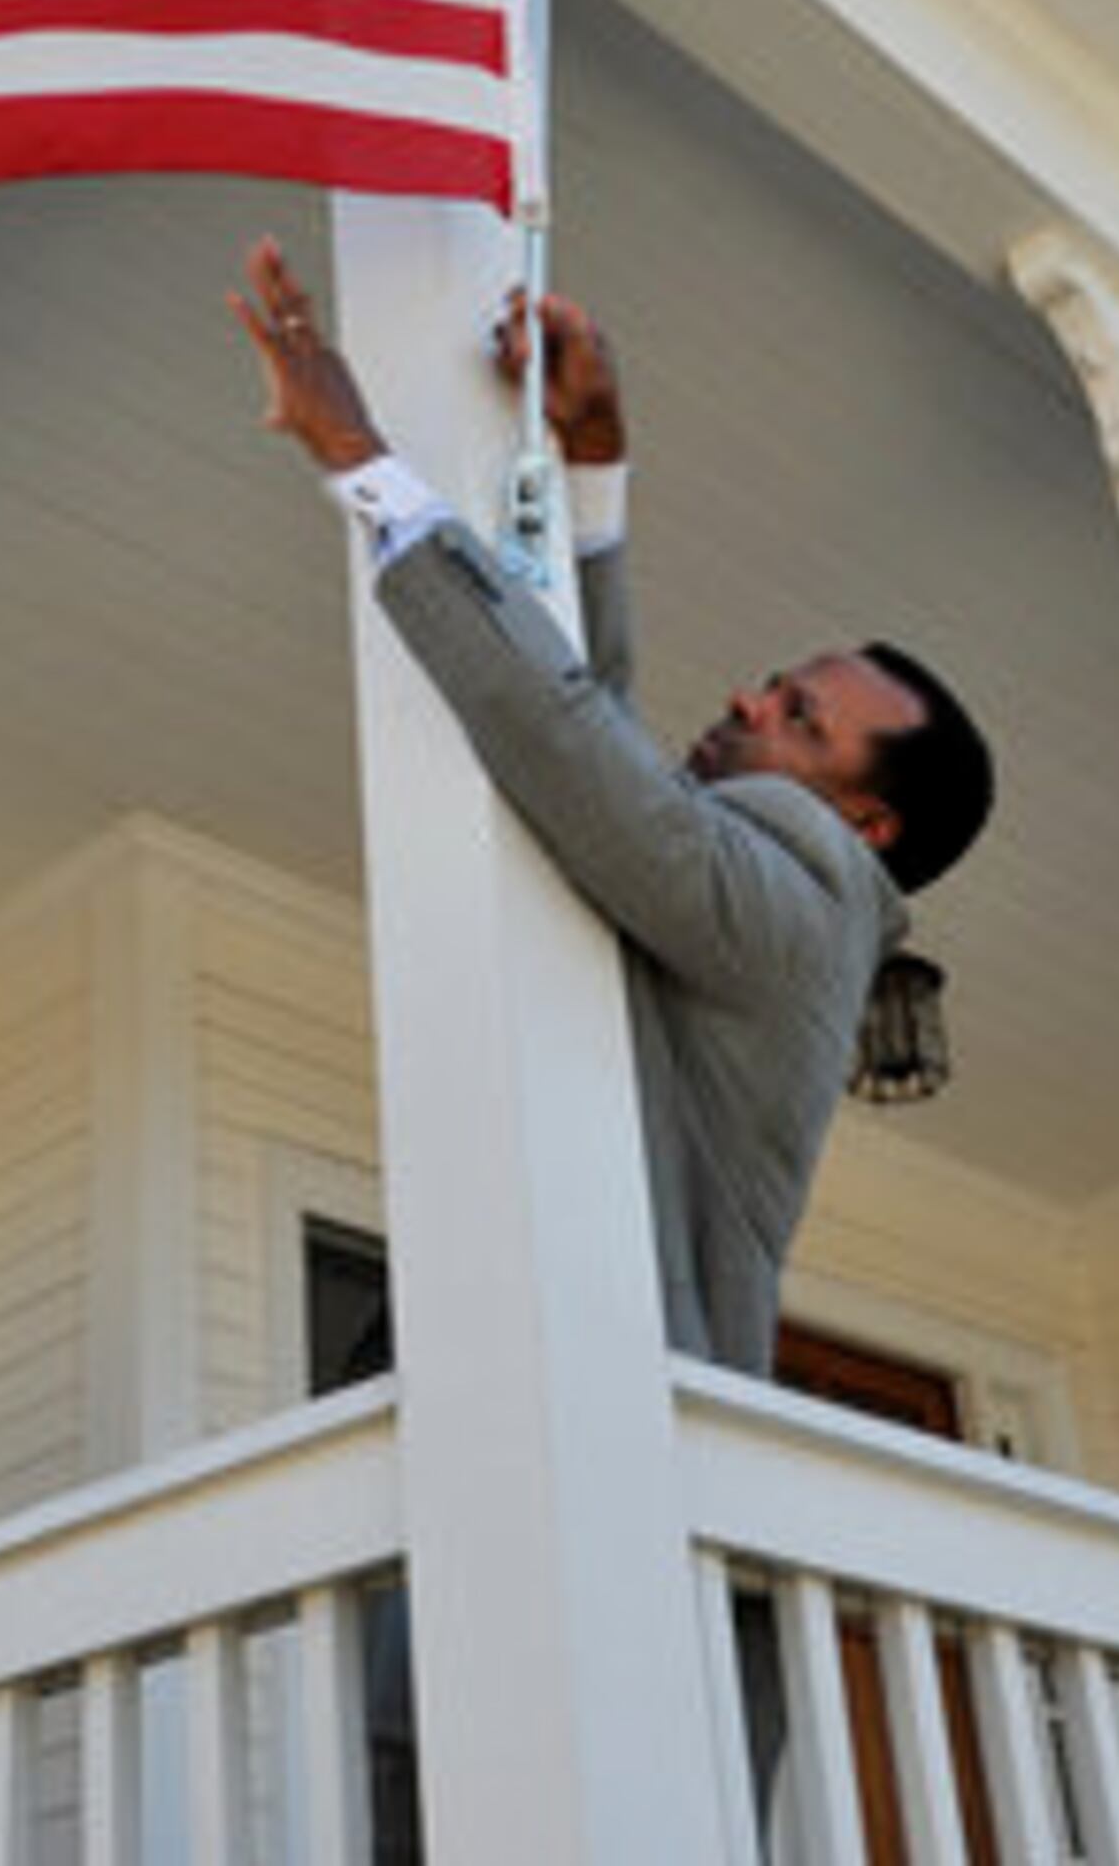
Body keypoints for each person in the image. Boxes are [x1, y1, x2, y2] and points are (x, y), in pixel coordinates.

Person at [226, 236, 992, 1378]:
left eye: (799, 718)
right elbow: (610, 754)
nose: (749, 696)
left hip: (606, 1407)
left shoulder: (812, 912)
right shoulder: (742, 889)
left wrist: (361, 457)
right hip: (496, 1355)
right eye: (776, 682)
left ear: (865, 827)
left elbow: (574, 739)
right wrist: (594, 466)